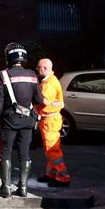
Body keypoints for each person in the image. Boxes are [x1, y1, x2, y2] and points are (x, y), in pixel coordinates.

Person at [0, 42, 45, 198]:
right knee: (24, 153)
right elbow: (39, 99)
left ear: (9, 58)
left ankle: (6, 188)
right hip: (28, 120)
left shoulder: (3, 75)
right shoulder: (32, 75)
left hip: (9, 120)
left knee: (6, 152)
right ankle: (23, 188)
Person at [35, 58, 71, 187]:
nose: (37, 70)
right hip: (50, 119)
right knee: (50, 150)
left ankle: (62, 176)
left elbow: (43, 102)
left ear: (44, 68)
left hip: (49, 120)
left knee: (52, 150)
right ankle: (52, 174)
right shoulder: (51, 81)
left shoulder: (48, 84)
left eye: (38, 68)